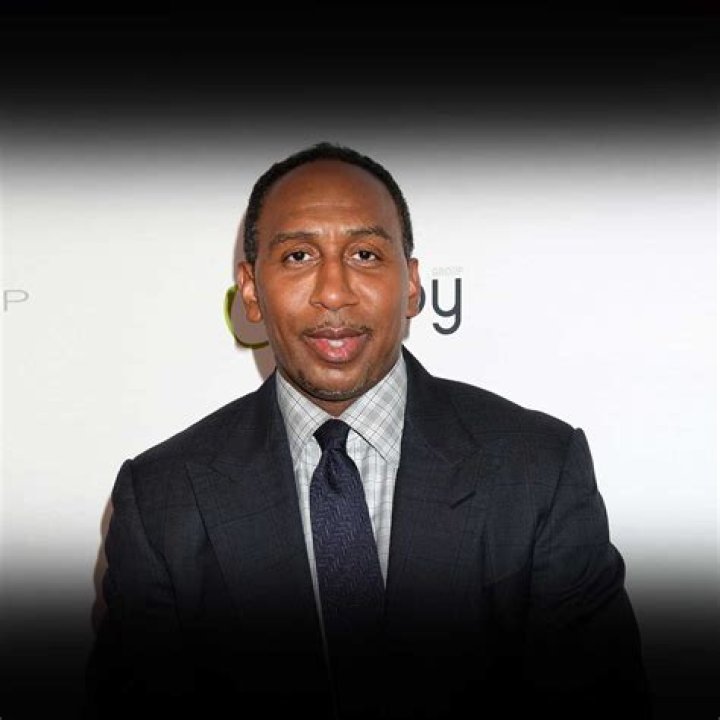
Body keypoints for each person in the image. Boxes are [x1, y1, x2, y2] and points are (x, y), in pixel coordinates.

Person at [86, 142, 649, 719]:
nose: (334, 291)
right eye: (299, 256)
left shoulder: (539, 472)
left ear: (412, 285)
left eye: (364, 254)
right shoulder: (161, 501)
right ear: (251, 291)